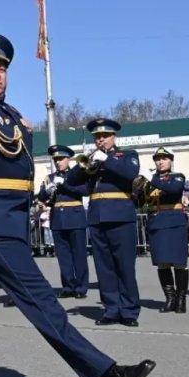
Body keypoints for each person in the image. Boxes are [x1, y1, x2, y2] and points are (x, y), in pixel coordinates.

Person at [0, 33, 153, 377]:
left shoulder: (11, 116)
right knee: (42, 302)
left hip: (4, 221)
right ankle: (104, 373)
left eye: (2, 68)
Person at [66, 118, 141, 326]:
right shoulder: (93, 159)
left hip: (120, 215)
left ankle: (129, 310)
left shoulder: (127, 155)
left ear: (114, 136)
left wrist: (107, 160)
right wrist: (87, 164)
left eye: (105, 136)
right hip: (98, 217)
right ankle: (111, 308)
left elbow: (130, 174)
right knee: (104, 266)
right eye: (97, 137)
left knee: (124, 265)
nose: (101, 140)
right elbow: (71, 181)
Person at [140, 148, 189, 312]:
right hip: (156, 222)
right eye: (157, 159)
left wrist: (151, 179)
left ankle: (181, 299)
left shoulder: (177, 177)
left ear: (171, 160)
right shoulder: (149, 180)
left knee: (179, 262)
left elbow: (173, 190)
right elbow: (140, 201)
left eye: (164, 158)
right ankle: (170, 298)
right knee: (162, 263)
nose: (160, 162)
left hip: (174, 221)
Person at [37, 145, 90, 299]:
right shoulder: (50, 177)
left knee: (79, 254)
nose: (58, 162)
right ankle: (68, 286)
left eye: (60, 159)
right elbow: (41, 197)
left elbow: (85, 191)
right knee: (63, 256)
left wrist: (65, 184)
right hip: (58, 219)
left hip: (75, 216)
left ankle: (81, 287)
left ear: (68, 159)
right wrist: (47, 191)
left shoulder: (78, 174)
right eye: (55, 159)